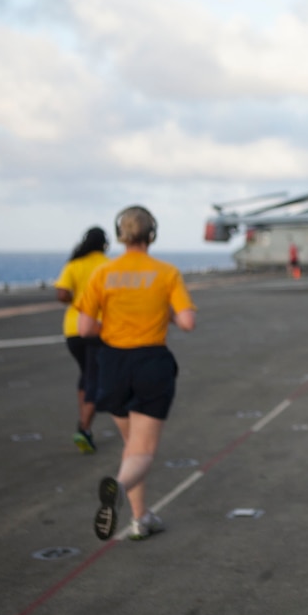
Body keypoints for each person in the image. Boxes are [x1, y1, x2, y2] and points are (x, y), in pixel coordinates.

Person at [77, 206, 196, 541]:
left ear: (120, 234)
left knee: (132, 445)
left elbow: (85, 327)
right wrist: (166, 316)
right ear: (152, 234)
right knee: (142, 450)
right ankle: (117, 488)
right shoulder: (166, 273)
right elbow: (187, 321)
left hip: (112, 363)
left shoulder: (103, 274)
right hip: (150, 362)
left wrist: (114, 326)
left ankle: (140, 518)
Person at [53, 226, 110, 453]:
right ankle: (84, 428)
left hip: (72, 329)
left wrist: (76, 299)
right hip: (98, 328)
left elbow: (61, 294)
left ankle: (83, 423)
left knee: (85, 375)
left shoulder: (74, 264)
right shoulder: (108, 265)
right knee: (94, 379)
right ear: (105, 244)